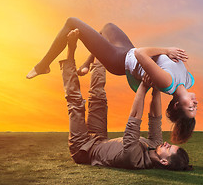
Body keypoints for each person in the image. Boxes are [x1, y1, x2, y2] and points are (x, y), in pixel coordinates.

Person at [27, 18, 198, 143]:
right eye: (195, 107)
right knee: (107, 27)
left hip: (118, 60)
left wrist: (166, 50)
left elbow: (140, 54)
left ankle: (43, 66)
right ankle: (87, 63)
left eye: (190, 107)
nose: (195, 103)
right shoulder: (188, 80)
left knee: (72, 22)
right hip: (126, 50)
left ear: (177, 105)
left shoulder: (167, 83)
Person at [60, 29, 192, 170]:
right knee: (98, 96)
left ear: (164, 162)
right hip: (99, 139)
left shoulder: (134, 159)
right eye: (170, 144)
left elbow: (134, 118)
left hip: (82, 150)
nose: (166, 143)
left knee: (76, 104)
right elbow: (155, 117)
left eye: (169, 148)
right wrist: (156, 88)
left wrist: (143, 86)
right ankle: (97, 53)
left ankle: (70, 51)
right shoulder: (155, 145)